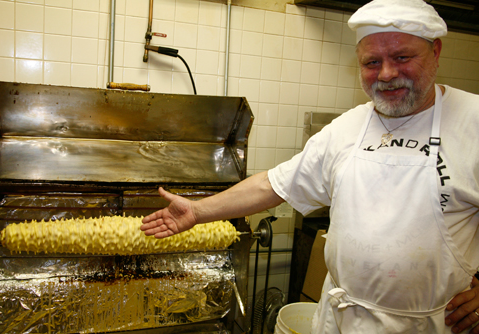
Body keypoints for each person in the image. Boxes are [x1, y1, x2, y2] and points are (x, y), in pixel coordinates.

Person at [140, 0, 479, 332]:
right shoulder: (347, 128)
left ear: (435, 52)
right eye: (372, 62)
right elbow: (274, 185)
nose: (387, 74)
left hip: (430, 324)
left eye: (402, 57)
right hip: (342, 319)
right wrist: (198, 212)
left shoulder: (472, 123)